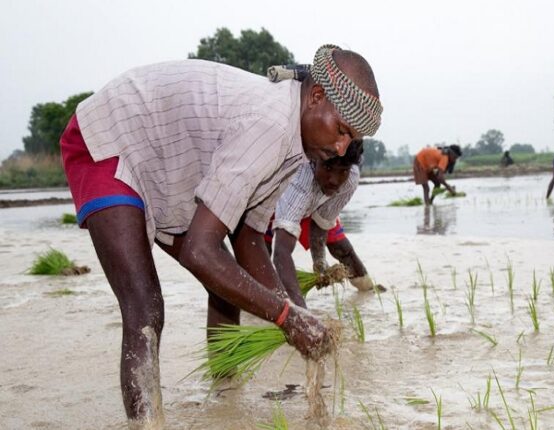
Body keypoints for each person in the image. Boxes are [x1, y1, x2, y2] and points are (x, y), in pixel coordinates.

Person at [59, 44, 382, 428]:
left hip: (171, 172)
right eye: (341, 130)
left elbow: (248, 236)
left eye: (351, 139)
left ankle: (224, 394)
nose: (342, 148)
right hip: (113, 138)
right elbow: (200, 251)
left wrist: (292, 313)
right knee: (145, 308)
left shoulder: (298, 149)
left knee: (224, 281)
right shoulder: (271, 125)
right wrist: (286, 316)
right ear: (315, 96)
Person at [265, 139, 381, 307]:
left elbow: (323, 222)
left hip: (315, 204)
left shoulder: (350, 178)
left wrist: (319, 262)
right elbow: (281, 251)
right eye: (328, 168)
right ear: (314, 160)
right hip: (277, 203)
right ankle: (263, 297)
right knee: (262, 249)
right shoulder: (300, 182)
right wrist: (301, 315)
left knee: (342, 248)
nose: (334, 179)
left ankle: (367, 288)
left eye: (343, 171)